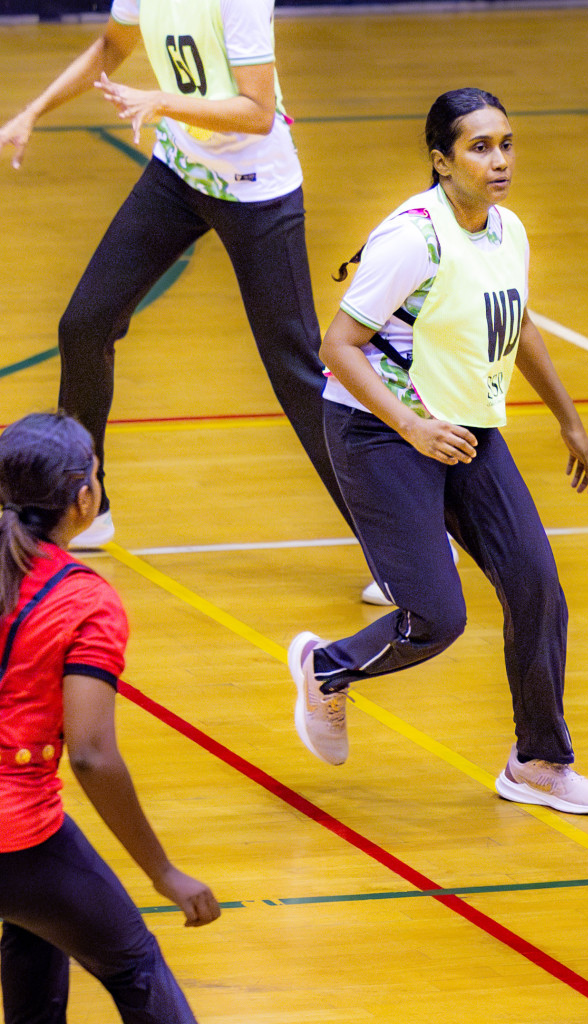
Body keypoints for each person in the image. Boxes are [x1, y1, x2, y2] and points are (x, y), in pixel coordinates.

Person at [289, 87, 588, 816]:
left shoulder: (508, 231)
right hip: (379, 431)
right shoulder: (412, 239)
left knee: (536, 586)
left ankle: (537, 761)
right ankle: (326, 668)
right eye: (479, 147)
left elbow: (518, 323)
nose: (499, 161)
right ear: (441, 160)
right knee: (435, 619)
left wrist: (568, 419)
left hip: (463, 427)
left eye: (506, 143)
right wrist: (411, 428)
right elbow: (336, 348)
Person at [0, 0, 351, 551]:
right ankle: (84, 506)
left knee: (299, 370)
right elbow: (111, 47)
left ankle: (405, 545)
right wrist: (35, 109)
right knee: (85, 326)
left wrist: (163, 101)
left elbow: (258, 111)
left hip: (256, 189)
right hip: (181, 174)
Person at [0, 411, 221, 1023]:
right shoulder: (84, 599)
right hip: (14, 835)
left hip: (20, 859)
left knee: (37, 923)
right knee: (134, 965)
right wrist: (164, 871)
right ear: (84, 497)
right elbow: (93, 756)